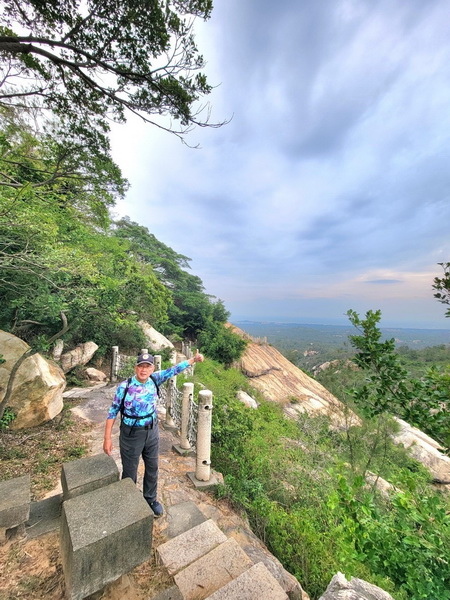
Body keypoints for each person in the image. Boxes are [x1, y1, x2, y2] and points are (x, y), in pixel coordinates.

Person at [103, 350, 204, 517]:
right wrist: (107, 438)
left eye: (147, 366)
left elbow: (174, 370)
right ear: (136, 368)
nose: (143, 370)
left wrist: (193, 359)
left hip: (152, 431)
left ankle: (150, 499)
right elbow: (112, 412)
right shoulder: (125, 386)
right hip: (131, 434)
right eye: (140, 366)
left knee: (152, 467)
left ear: (152, 369)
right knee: (130, 471)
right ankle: (128, 502)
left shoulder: (154, 379)